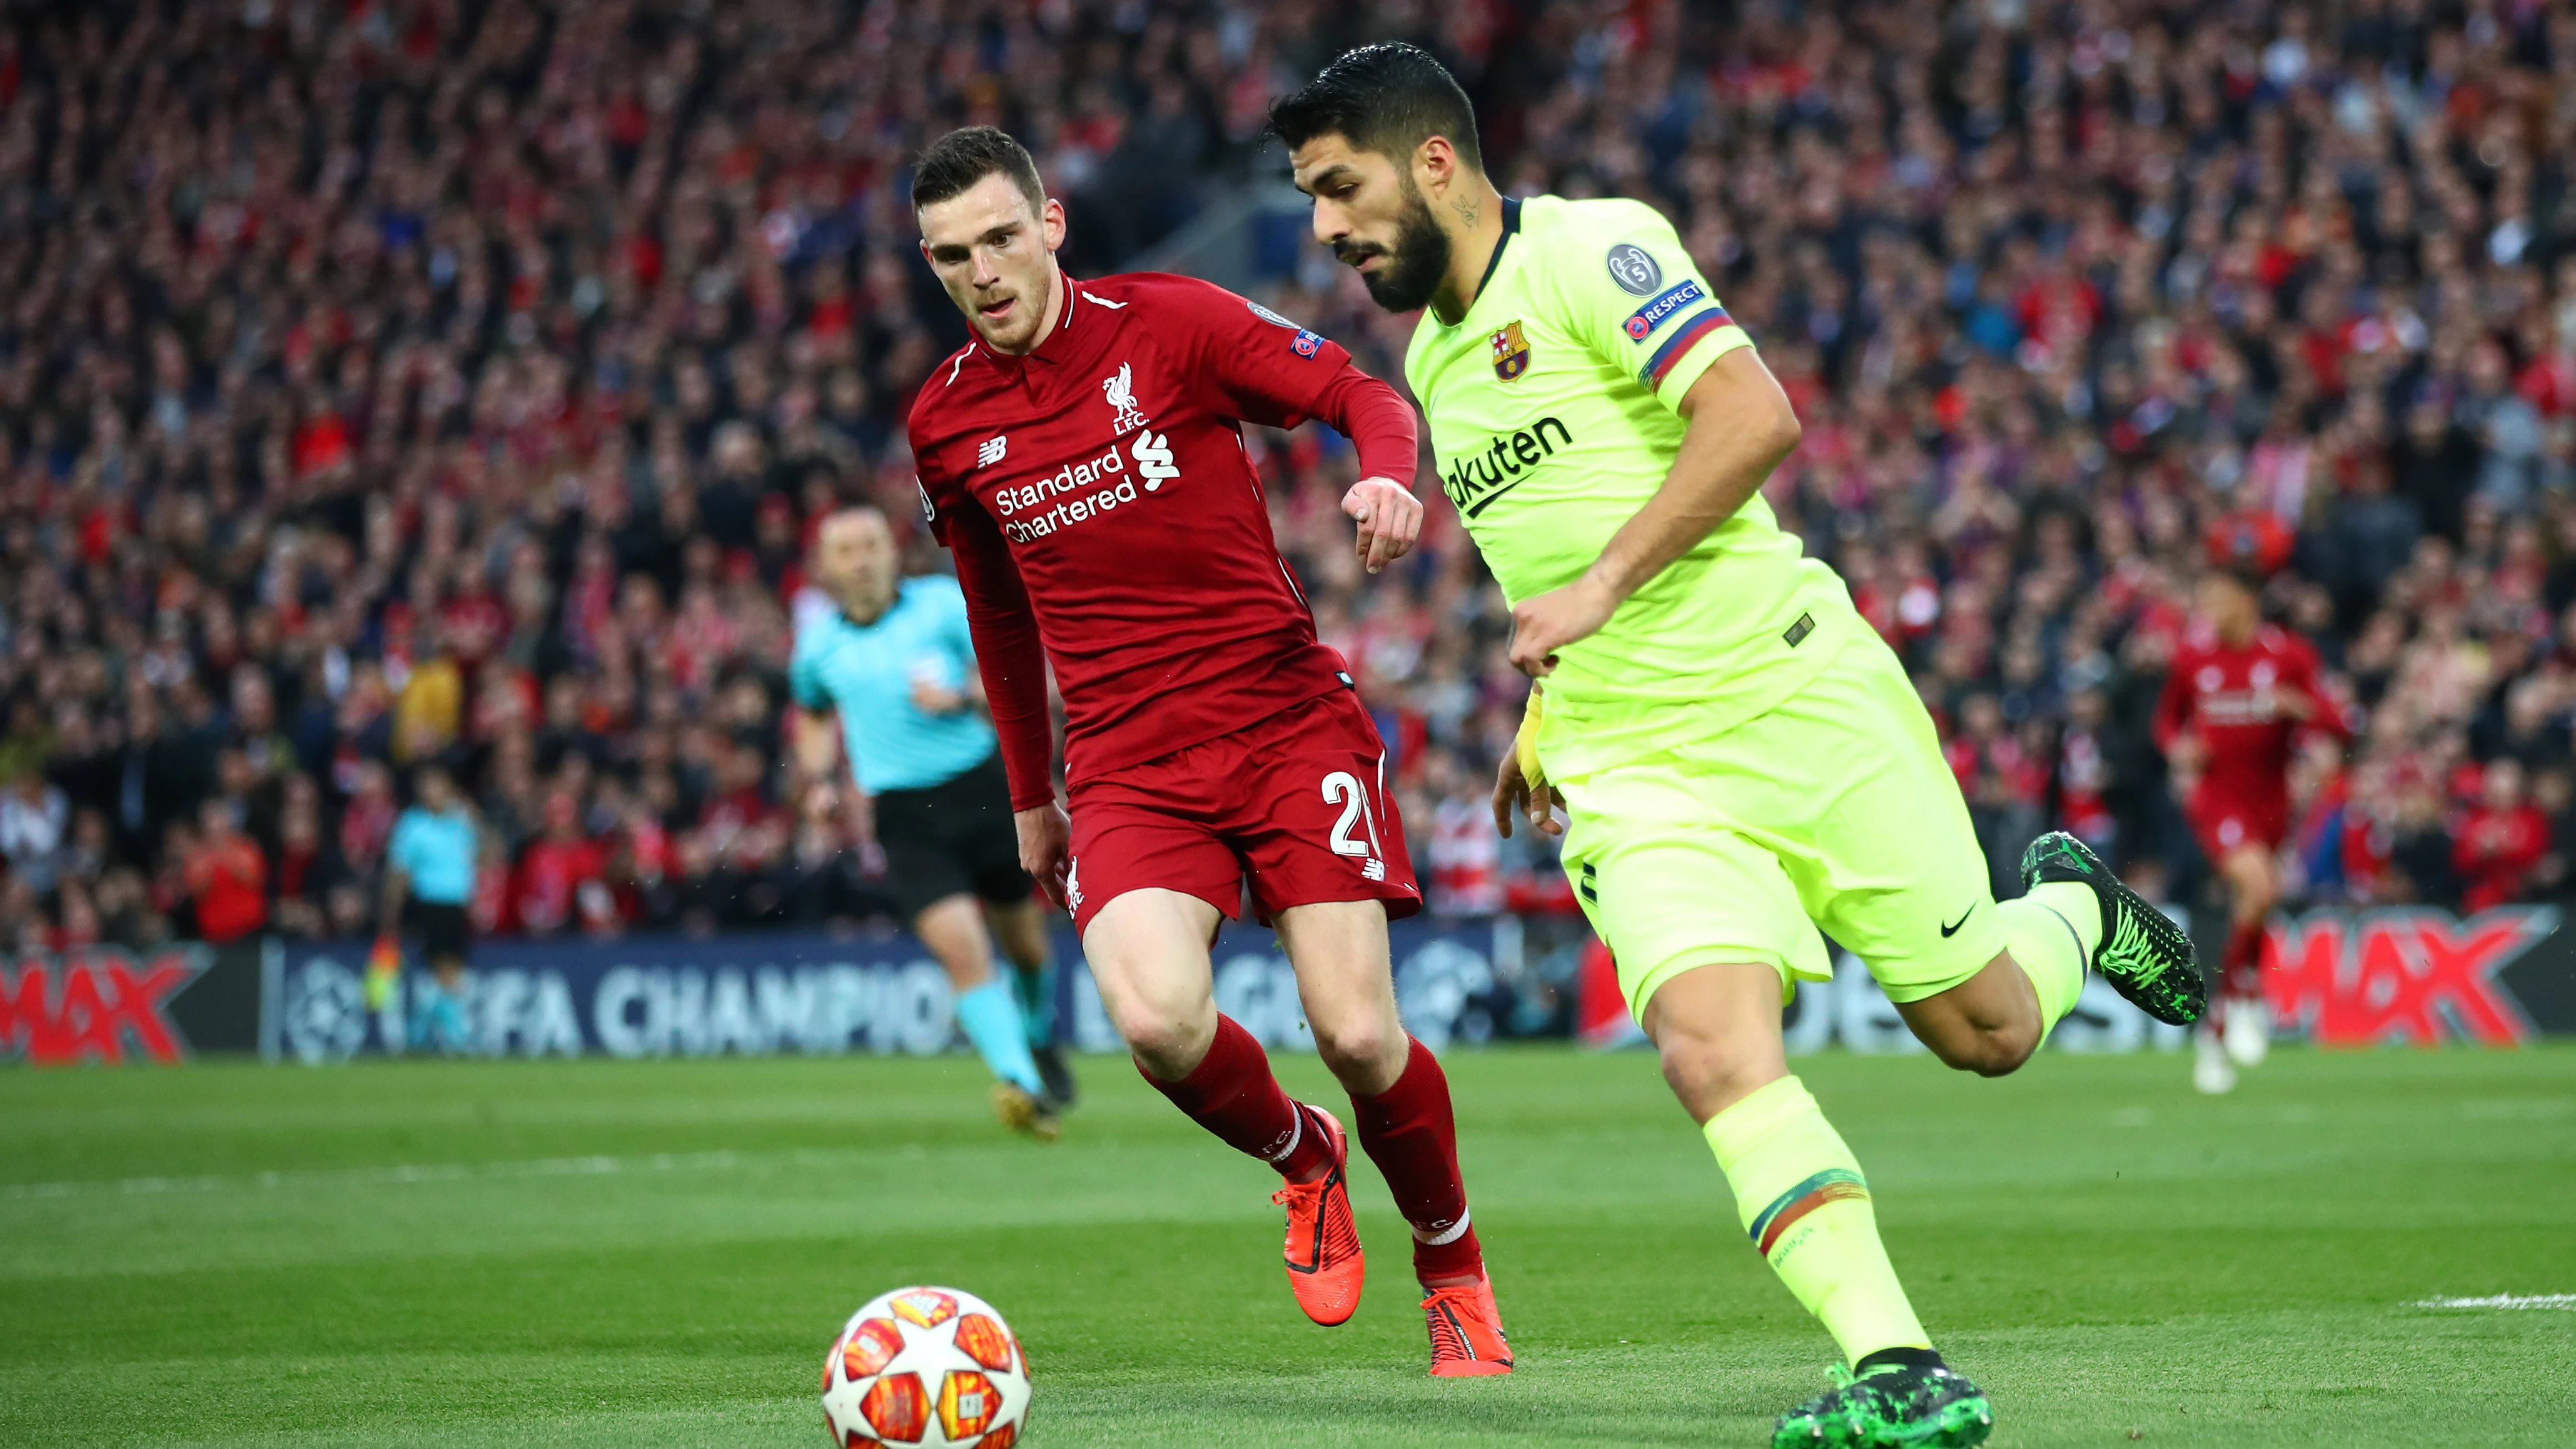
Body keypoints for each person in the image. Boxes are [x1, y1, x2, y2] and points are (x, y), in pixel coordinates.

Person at [1273, 43, 2201, 1445]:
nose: (1327, 228)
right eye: (1311, 200)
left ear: (1435, 162)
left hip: (1796, 695)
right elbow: (1553, 539)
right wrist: (1545, 710)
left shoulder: (1593, 249)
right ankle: (1897, 1366)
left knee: (1986, 1030)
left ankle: (2072, 904)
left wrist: (1600, 588)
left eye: (1341, 189)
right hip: (1634, 770)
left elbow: (1752, 416)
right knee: (1708, 1050)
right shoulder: (1434, 365)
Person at [906, 125, 1512, 1376]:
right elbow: (997, 615)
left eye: (1001, 239)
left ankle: (1449, 1263)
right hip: (1125, 761)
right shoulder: (946, 422)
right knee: (1153, 1019)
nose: (982, 271)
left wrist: (1388, 479)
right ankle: (1304, 1157)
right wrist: (1031, 796)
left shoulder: (1170, 322)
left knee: (1356, 1032)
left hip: (1283, 721)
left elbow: (1360, 391)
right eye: (951, 257)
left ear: (1051, 224)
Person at [789, 503, 1076, 1140]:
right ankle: (1022, 1084)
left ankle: (1036, 1035)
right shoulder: (818, 647)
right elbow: (812, 713)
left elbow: (1016, 666)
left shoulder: (941, 605)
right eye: (846, 550)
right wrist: (819, 782)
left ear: (892, 553)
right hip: (904, 814)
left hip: (981, 789)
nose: (861, 558)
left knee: (1025, 945)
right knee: (962, 950)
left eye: (871, 544)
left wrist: (965, 696)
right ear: (827, 568)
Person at [2155, 550, 2345, 1094]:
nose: (2207, 608)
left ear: (2247, 600)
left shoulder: (2289, 656)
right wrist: (2179, 747)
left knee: (2255, 902)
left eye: (2216, 597)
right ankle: (2246, 1000)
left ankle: (2217, 1027)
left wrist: (2299, 707)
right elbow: (2167, 720)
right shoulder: (2194, 659)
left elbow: (2338, 722)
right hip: (2217, 800)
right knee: (2258, 886)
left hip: (2271, 802)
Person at [381, 763, 479, 1054]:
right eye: (426, 786)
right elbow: (400, 873)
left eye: (436, 785)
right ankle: (453, 1036)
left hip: (458, 904)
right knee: (444, 967)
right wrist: (391, 913)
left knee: (451, 969)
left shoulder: (461, 820)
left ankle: (422, 1032)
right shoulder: (412, 824)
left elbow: (489, 851)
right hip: (430, 903)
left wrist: (477, 820)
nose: (431, 792)